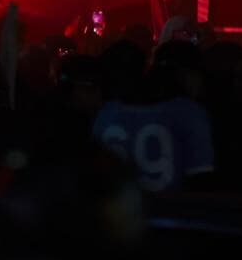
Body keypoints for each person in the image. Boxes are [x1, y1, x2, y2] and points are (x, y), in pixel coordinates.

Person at [92, 40, 215, 191]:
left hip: (118, 204)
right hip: (172, 204)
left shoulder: (108, 111)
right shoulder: (189, 113)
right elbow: (201, 179)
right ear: (186, 73)